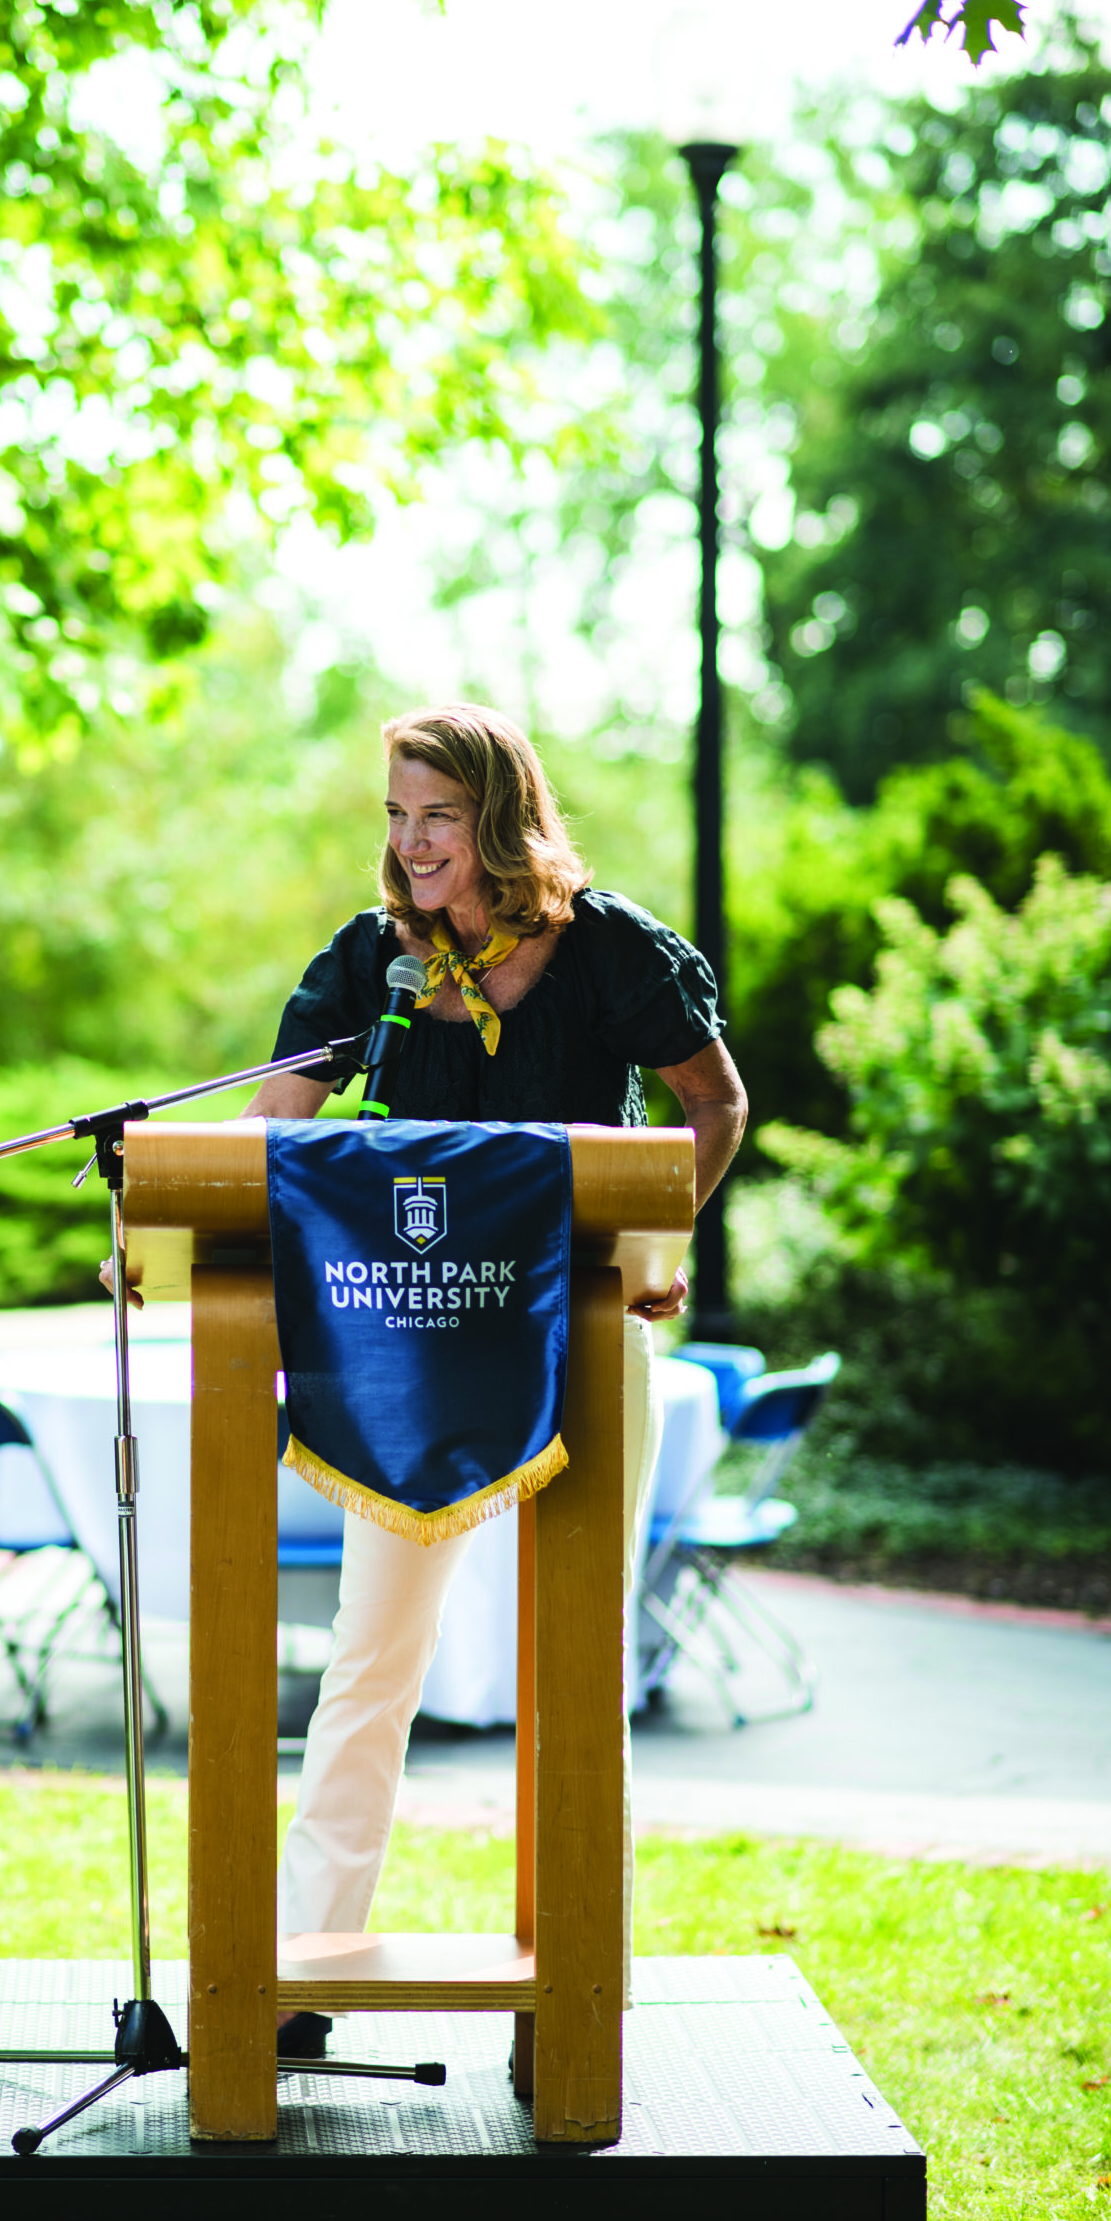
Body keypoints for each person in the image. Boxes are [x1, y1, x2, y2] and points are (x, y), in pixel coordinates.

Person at [242, 703, 747, 2054]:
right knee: (369, 1660)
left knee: (574, 1669)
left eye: (437, 819)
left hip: (579, 1336)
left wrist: (653, 1244)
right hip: (409, 1355)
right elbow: (269, 1130)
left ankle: (569, 1989)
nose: (410, 845)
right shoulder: (372, 961)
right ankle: (298, 1975)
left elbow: (714, 1105)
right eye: (397, 817)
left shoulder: (606, 950)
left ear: (497, 818)